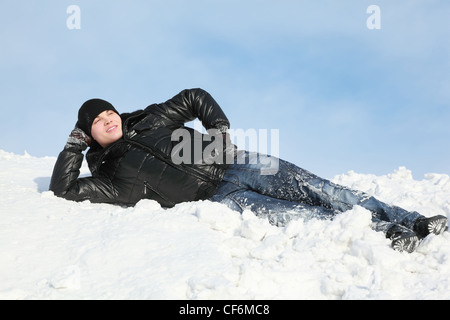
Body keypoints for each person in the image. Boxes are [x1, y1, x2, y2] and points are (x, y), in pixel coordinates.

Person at [50, 88, 448, 253]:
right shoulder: (109, 177)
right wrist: (71, 148)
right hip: (223, 198)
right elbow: (64, 189)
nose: (107, 118)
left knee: (324, 191)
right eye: (96, 121)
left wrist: (219, 131)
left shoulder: (150, 119)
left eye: (108, 111)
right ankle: (388, 235)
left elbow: (194, 97)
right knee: (305, 217)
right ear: (86, 135)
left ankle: (412, 221)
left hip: (239, 161)